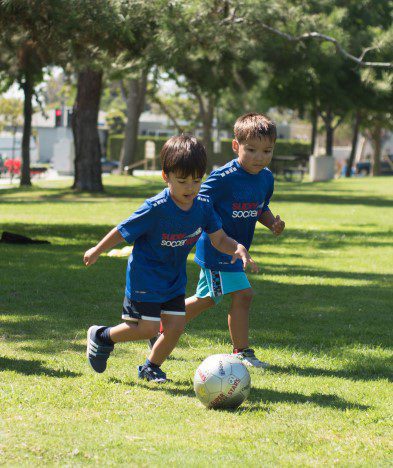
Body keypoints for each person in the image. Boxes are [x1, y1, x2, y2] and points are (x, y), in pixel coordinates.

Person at [84, 135, 258, 382]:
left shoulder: (203, 206)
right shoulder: (156, 208)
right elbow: (122, 231)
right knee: (148, 328)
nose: (190, 187)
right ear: (166, 176)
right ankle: (102, 336)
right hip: (146, 278)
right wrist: (97, 250)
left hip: (174, 279)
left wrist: (237, 247)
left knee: (175, 326)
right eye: (183, 181)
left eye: (197, 180)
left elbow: (219, 239)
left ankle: (151, 367)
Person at [148, 113, 285, 369]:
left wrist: (272, 223)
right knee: (244, 295)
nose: (260, 157)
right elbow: (195, 198)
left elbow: (260, 207)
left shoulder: (266, 178)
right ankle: (241, 351)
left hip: (236, 251)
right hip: (218, 248)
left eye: (267, 151)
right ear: (236, 146)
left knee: (208, 299)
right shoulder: (223, 178)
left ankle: (161, 326)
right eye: (252, 150)